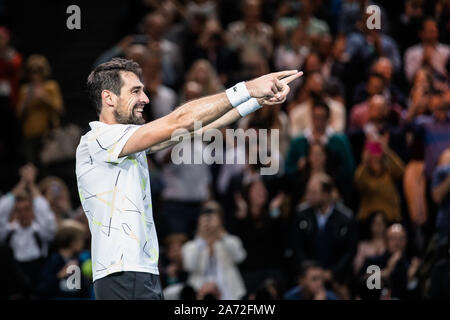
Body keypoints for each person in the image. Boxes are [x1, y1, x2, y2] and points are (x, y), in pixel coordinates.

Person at [75, 57, 302, 300]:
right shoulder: (98, 140)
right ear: (108, 98)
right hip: (121, 273)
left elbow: (193, 128)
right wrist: (247, 88)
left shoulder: (126, 141)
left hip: (140, 272)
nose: (146, 98)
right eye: (135, 91)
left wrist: (254, 102)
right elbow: (178, 120)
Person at [290, 173, 356, 290]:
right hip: (308, 278)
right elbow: (297, 247)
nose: (309, 196)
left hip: (337, 278)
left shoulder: (346, 218)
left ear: (326, 194)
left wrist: (332, 273)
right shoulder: (301, 215)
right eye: (308, 191)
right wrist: (310, 272)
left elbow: (349, 252)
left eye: (314, 192)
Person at [0, 163, 57, 290]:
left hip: (40, 287)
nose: (23, 214)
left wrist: (31, 184)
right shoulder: (8, 232)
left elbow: (45, 214)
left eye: (27, 209)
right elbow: (1, 211)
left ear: (33, 210)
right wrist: (22, 183)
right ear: (14, 212)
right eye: (18, 210)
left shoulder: (41, 232)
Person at [181, 201, 247, 300]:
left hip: (229, 292)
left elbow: (239, 257)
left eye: (213, 214)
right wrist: (201, 237)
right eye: (205, 214)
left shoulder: (230, 240)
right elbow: (189, 266)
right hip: (200, 292)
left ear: (221, 219)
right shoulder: (191, 246)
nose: (209, 218)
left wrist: (221, 233)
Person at [16, 55, 63, 165]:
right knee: (32, 166)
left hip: (48, 133)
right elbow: (19, 114)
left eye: (39, 70)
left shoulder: (51, 87)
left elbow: (59, 109)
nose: (36, 74)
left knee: (49, 165)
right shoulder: (25, 90)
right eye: (32, 71)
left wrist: (44, 98)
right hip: (30, 134)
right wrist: (28, 98)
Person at [354, 140, 405, 222]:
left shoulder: (388, 170)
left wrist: (387, 151)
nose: (375, 158)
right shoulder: (365, 172)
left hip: (390, 217)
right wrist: (364, 162)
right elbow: (358, 182)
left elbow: (401, 171)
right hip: (369, 218)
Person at [36, 219, 89, 299]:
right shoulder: (53, 261)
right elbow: (42, 288)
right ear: (72, 242)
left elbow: (83, 291)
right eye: (81, 239)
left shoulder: (78, 260)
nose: (83, 242)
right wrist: (60, 275)